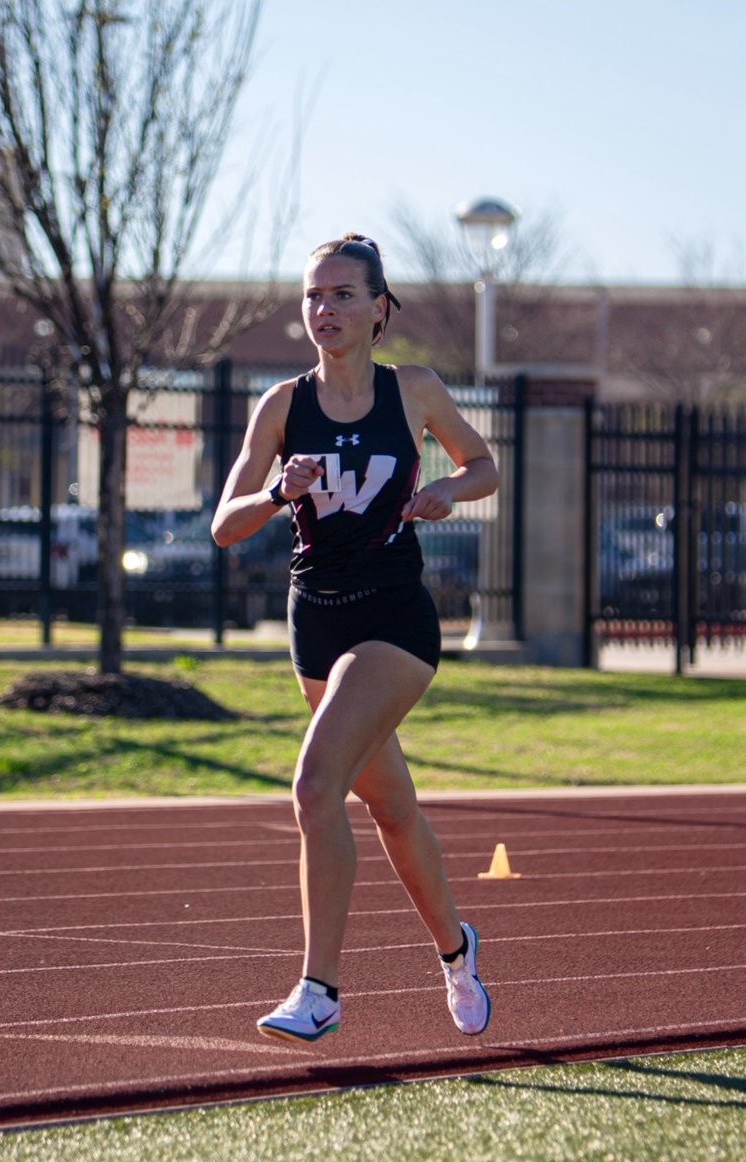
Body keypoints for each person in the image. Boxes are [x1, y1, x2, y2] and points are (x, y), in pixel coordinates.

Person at [211, 232, 499, 1043]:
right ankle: (455, 948)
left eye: (342, 294)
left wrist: (446, 487)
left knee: (313, 787)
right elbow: (225, 527)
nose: (323, 309)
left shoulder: (410, 389)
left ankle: (320, 990)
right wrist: (275, 490)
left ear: (379, 308)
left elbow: (484, 466)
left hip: (393, 619)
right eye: (312, 294)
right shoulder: (280, 404)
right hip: (317, 620)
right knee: (393, 809)